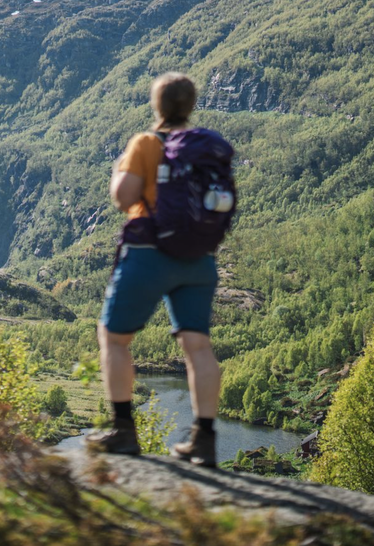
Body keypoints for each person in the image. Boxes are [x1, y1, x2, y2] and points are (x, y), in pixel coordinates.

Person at [84, 72, 224, 466]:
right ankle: (205, 440)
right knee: (197, 346)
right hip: (199, 258)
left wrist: (121, 171)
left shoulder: (146, 143)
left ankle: (124, 431)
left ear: (157, 105)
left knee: (114, 338)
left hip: (148, 254)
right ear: (190, 105)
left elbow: (124, 197)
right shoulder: (206, 148)